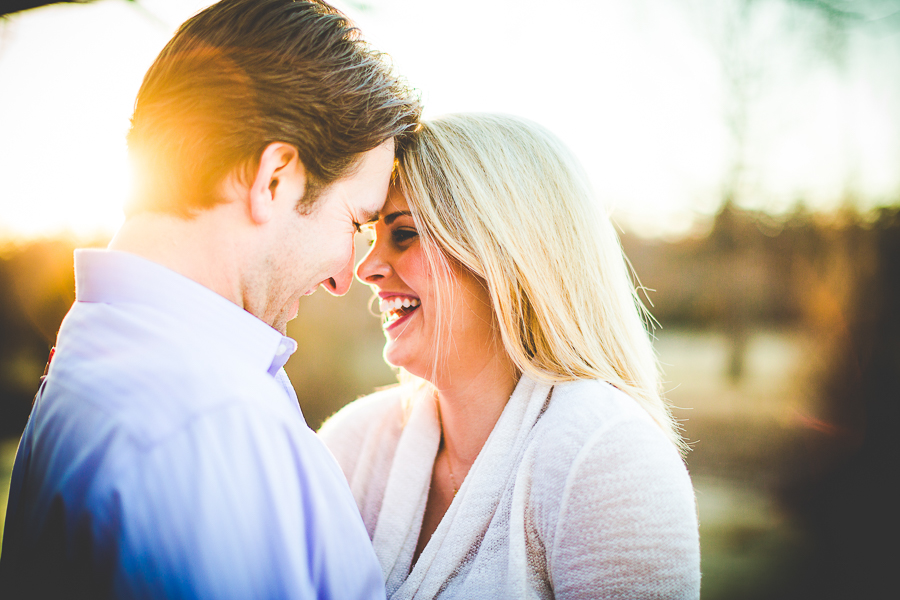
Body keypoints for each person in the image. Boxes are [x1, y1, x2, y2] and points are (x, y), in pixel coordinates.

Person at [0, 1, 419, 598]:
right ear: (273, 179)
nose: (343, 278)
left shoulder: (99, 353)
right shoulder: (208, 427)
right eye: (355, 222)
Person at [318, 113, 701, 599]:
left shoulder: (604, 458)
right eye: (371, 236)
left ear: (502, 254)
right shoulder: (352, 446)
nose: (366, 267)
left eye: (405, 233)